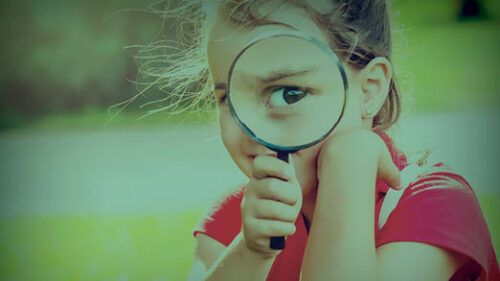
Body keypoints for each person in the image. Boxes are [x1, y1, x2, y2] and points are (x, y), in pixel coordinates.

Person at [139, 0, 500, 280]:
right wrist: (250, 253)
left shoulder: (434, 205)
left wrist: (349, 164)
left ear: (370, 90)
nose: (253, 129)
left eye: (290, 94)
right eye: (229, 99)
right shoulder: (232, 222)